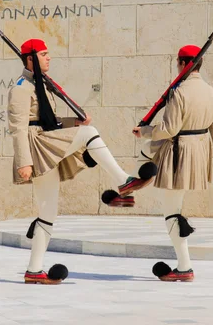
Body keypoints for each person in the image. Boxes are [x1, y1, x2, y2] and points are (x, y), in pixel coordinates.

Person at [8, 38, 154, 284]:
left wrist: (72, 123)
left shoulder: (41, 85)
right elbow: (19, 128)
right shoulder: (21, 88)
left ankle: (34, 271)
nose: (49, 57)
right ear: (30, 59)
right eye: (44, 54)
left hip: (46, 138)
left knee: (48, 211)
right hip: (37, 146)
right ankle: (124, 182)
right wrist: (24, 162)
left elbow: (47, 120)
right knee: (90, 133)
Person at [130, 45, 213, 282]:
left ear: (181, 63)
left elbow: (169, 129)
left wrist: (145, 131)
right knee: (173, 205)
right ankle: (137, 179)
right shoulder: (211, 92)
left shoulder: (179, 91)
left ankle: (185, 267)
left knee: (171, 211)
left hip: (179, 152)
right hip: (199, 152)